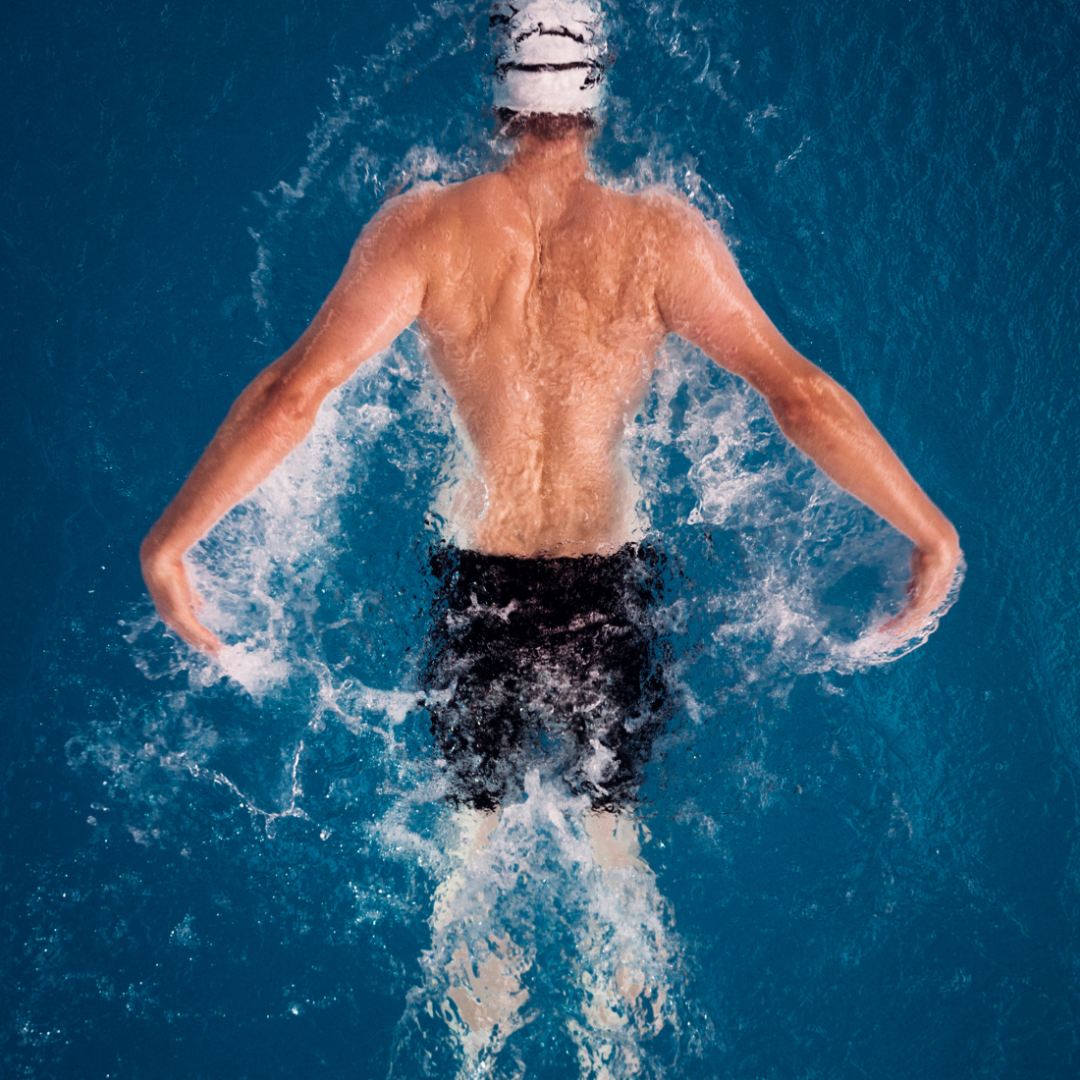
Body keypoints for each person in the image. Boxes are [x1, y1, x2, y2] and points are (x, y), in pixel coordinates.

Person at [139, 0, 961, 1066]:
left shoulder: (422, 228)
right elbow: (798, 396)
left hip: (478, 585)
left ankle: (475, 1058)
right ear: (597, 95)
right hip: (605, 585)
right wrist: (929, 530)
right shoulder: (661, 236)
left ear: (496, 98)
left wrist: (173, 541)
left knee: (472, 853)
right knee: (614, 851)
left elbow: (296, 396)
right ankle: (619, 1055)